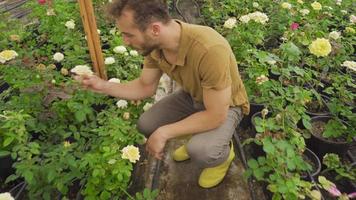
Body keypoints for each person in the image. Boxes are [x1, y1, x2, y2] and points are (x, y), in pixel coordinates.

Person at [79, 0, 249, 188]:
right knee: (147, 124)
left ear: (155, 29)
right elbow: (145, 87)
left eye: (128, 35)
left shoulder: (209, 49)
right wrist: (102, 86)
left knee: (203, 151)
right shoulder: (156, 46)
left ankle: (223, 156)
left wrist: (164, 132)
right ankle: (198, 135)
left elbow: (216, 115)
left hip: (227, 106)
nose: (125, 41)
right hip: (193, 96)